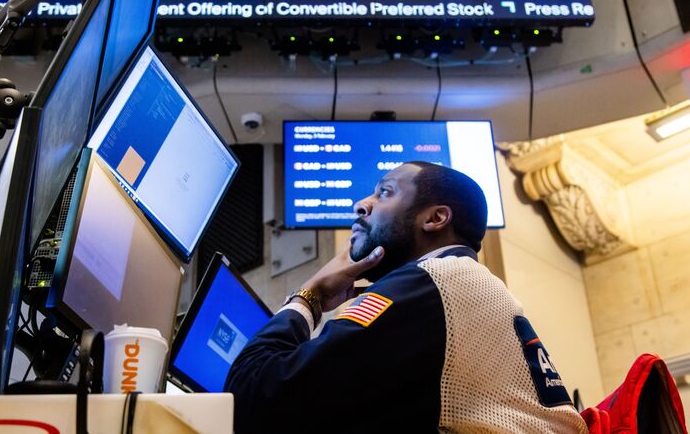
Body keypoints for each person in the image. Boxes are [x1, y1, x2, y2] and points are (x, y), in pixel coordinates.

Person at [225, 162, 588, 433]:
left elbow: (252, 395)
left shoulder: (433, 282)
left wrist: (311, 295)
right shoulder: (466, 284)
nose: (361, 204)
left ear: (435, 218)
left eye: (384, 192)